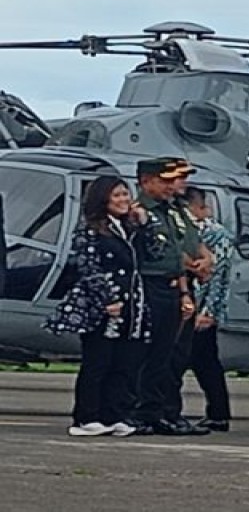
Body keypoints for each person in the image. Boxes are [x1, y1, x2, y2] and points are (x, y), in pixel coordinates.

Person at [44, 175, 150, 437]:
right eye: (117, 195)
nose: (124, 200)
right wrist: (107, 299)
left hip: (131, 304)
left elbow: (151, 255)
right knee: (98, 362)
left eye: (125, 194)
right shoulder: (89, 229)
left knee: (124, 363)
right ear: (102, 199)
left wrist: (143, 225)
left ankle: (114, 413)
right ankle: (86, 416)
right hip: (102, 307)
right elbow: (88, 267)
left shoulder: (129, 229)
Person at [131, 157, 209, 437]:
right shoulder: (140, 212)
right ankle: (144, 412)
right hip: (152, 285)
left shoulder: (175, 210)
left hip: (178, 286)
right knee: (149, 354)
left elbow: (188, 242)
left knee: (173, 355)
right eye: (165, 180)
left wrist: (204, 260)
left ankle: (165, 411)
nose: (173, 185)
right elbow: (158, 253)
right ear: (145, 181)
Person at [184, 186, 234, 432]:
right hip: (185, 305)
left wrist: (209, 312)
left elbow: (219, 274)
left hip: (201, 307)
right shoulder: (185, 229)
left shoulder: (215, 234)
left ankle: (218, 413)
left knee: (206, 362)